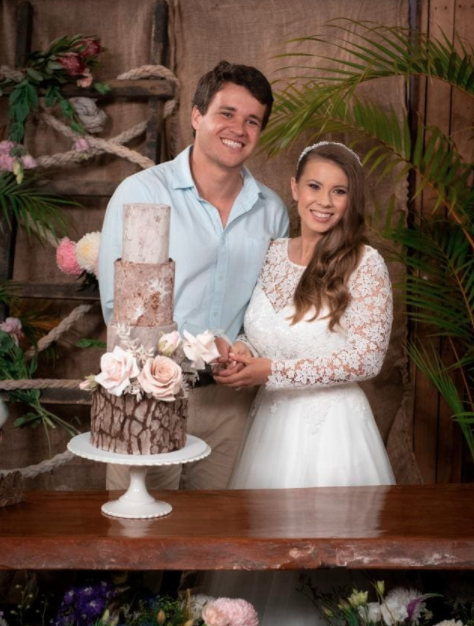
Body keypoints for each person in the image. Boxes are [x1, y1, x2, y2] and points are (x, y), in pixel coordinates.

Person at [200, 141, 395, 624]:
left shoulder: (365, 263)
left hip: (334, 432)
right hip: (269, 428)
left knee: (332, 561)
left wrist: (272, 373)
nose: (324, 201)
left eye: (339, 191)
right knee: (263, 554)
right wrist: (243, 352)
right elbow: (260, 331)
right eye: (314, 186)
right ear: (293, 188)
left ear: (353, 198)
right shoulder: (269, 254)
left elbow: (367, 359)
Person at [97, 60, 289, 491]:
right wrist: (191, 351)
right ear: (197, 115)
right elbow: (118, 308)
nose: (239, 129)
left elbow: (272, 306)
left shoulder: (273, 211)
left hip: (229, 404)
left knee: (215, 539)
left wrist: (245, 347)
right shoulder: (142, 193)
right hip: (148, 393)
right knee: (139, 536)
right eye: (227, 113)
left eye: (252, 120)